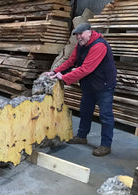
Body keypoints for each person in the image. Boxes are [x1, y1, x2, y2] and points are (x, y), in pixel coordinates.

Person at [46, 23, 117, 157]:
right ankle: (82, 136)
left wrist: (64, 78)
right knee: (85, 110)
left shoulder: (99, 45)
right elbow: (70, 61)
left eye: (81, 34)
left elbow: (86, 68)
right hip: (90, 85)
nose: (78, 37)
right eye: (76, 35)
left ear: (89, 32)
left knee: (105, 115)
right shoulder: (81, 46)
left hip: (104, 85)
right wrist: (55, 71)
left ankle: (106, 145)